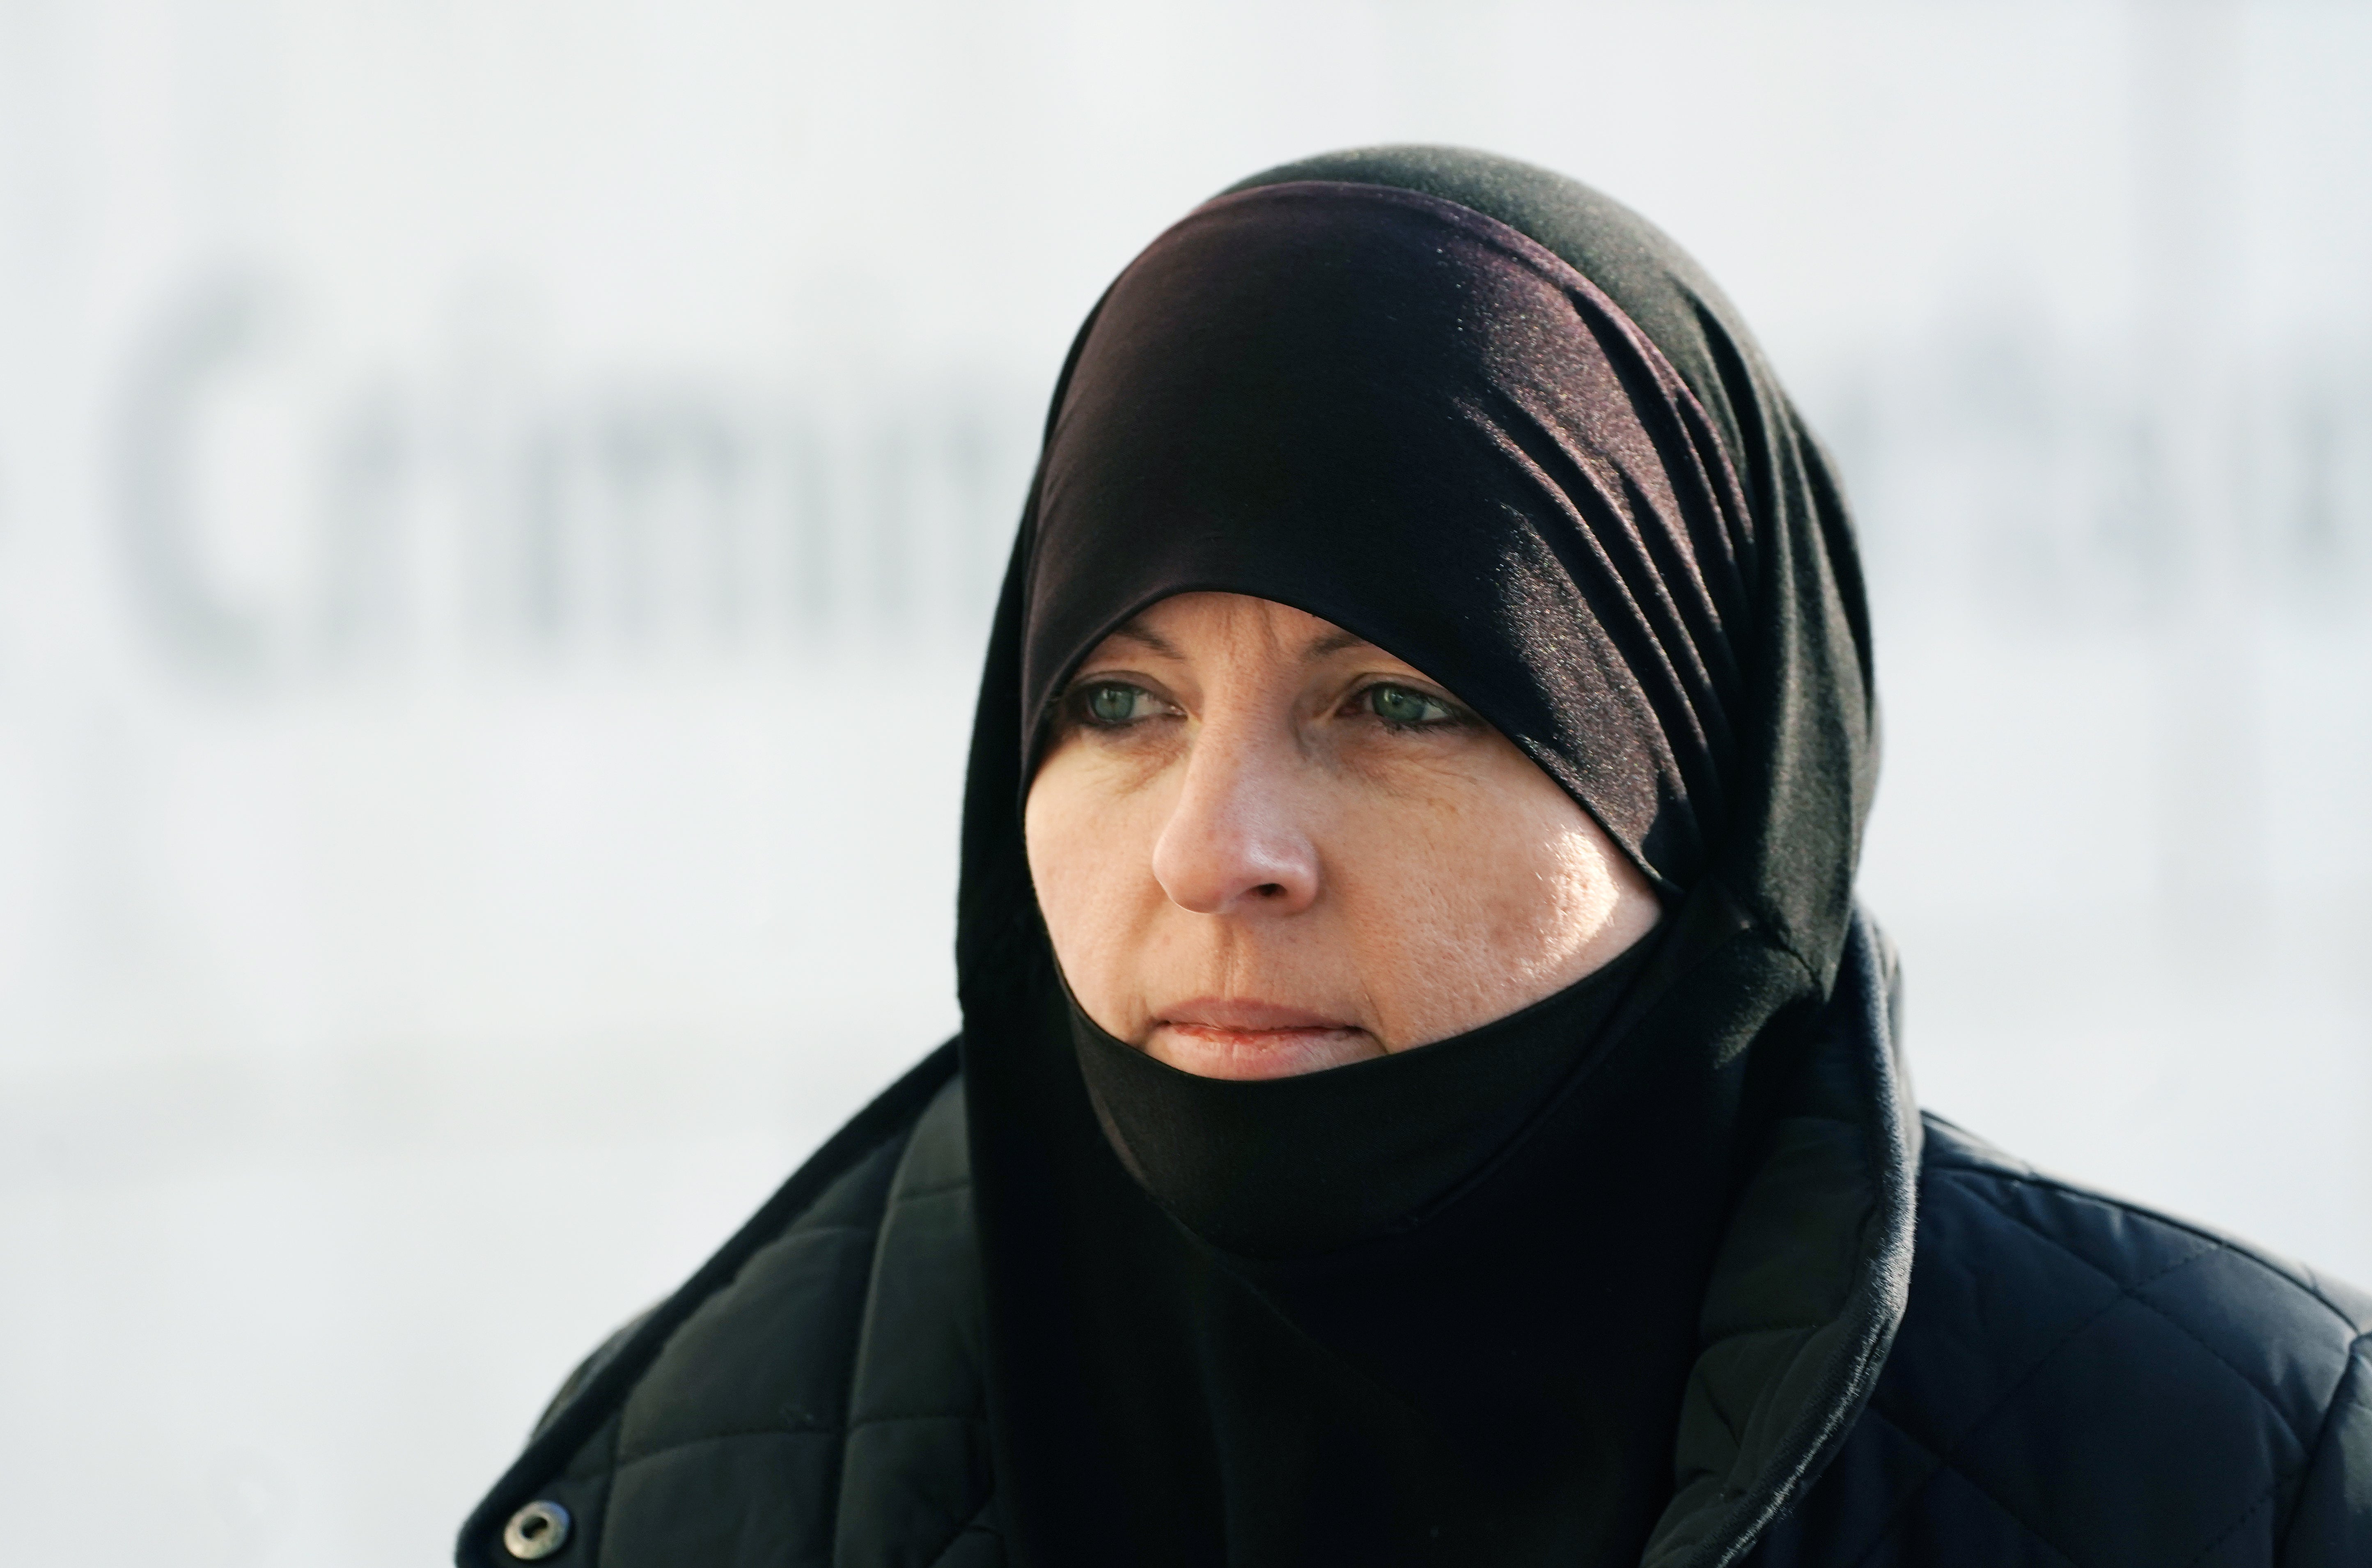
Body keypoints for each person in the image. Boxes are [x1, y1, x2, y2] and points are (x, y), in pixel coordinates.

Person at [456, 147, 2371, 1568]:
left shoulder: (2225, 1474)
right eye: (1118, 707)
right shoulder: (685, 1483)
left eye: (1394, 703)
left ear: (1693, 791)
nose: (1215, 853)